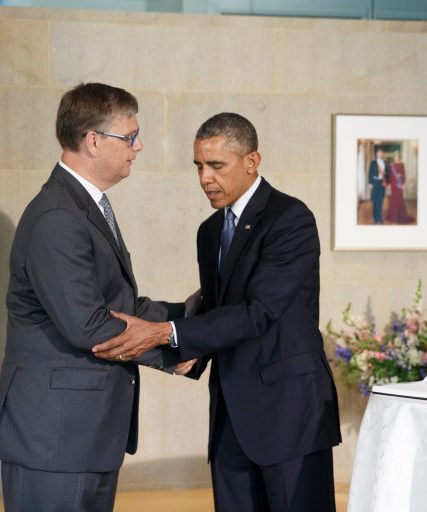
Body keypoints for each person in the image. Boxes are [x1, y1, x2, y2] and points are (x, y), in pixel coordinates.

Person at [93, 113, 342, 511]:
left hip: (290, 415)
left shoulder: (290, 219)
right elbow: (217, 306)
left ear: (252, 161)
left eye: (216, 166)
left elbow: (258, 312)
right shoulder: (209, 232)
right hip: (230, 418)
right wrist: (183, 355)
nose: (205, 177)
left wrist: (164, 333)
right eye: (198, 166)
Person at [0, 82, 192, 512]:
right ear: (93, 141)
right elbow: (89, 324)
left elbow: (121, 304)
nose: (138, 146)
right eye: (130, 136)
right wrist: (172, 343)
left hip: (84, 436)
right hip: (56, 440)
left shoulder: (85, 205)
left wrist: (190, 317)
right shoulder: (58, 217)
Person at [384, 150, 414, 224]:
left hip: (399, 184)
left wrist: (403, 183)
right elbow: (390, 175)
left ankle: (400, 215)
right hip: (394, 185)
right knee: (394, 199)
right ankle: (393, 215)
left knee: (399, 198)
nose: (396, 157)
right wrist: (388, 183)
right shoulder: (391, 165)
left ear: (399, 157)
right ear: (394, 157)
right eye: (395, 156)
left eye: (397, 156)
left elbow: (404, 174)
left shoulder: (402, 164)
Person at [368, 148, 387, 224]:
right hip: (375, 182)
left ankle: (379, 217)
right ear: (376, 154)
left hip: (382, 182)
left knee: (380, 200)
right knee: (375, 201)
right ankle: (376, 218)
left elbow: (386, 173)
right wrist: (370, 183)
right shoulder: (373, 162)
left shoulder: (384, 162)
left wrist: (385, 181)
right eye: (379, 153)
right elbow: (370, 173)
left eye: (381, 153)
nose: (380, 154)